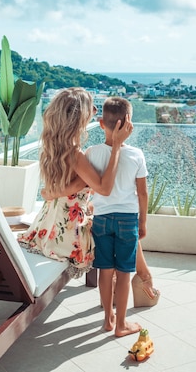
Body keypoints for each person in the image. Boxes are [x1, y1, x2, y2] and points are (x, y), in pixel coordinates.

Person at [17, 87, 132, 279]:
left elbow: (67, 188)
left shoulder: (53, 146)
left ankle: (142, 279)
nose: (96, 112)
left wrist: (55, 192)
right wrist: (117, 146)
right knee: (123, 226)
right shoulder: (75, 154)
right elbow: (103, 188)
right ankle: (135, 282)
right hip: (70, 231)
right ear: (79, 117)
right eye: (92, 108)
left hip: (48, 223)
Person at [86, 96, 149, 337]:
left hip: (101, 220)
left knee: (105, 271)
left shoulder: (91, 152)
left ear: (101, 123)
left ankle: (108, 319)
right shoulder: (136, 155)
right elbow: (142, 193)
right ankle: (122, 324)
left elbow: (90, 188)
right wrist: (142, 222)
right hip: (127, 220)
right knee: (124, 273)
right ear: (129, 124)